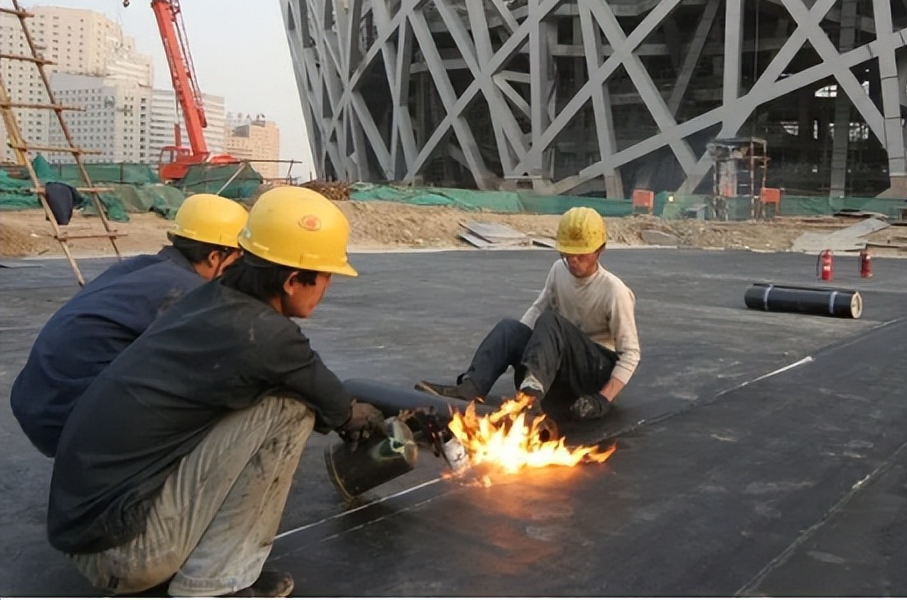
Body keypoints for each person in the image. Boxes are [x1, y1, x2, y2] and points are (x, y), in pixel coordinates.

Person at [46, 186, 386, 598]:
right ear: (294, 280)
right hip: (125, 553)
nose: (329, 285)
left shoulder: (208, 297)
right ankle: (218, 582)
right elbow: (337, 407)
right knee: (291, 410)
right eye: (327, 274)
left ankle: (192, 562)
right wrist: (367, 419)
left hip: (86, 534)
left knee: (256, 397)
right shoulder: (267, 335)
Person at [10, 193, 249, 457]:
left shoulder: (141, 266)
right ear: (216, 257)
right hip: (66, 422)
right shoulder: (186, 290)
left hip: (36, 403)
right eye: (238, 260)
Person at [418, 206, 640, 422]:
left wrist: (603, 398)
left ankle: (529, 398)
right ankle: (471, 388)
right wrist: (522, 349)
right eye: (568, 252)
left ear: (600, 249)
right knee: (510, 329)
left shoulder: (614, 291)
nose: (573, 260)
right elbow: (537, 309)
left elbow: (630, 353)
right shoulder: (558, 270)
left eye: (581, 254)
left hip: (591, 376)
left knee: (551, 322)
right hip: (559, 373)